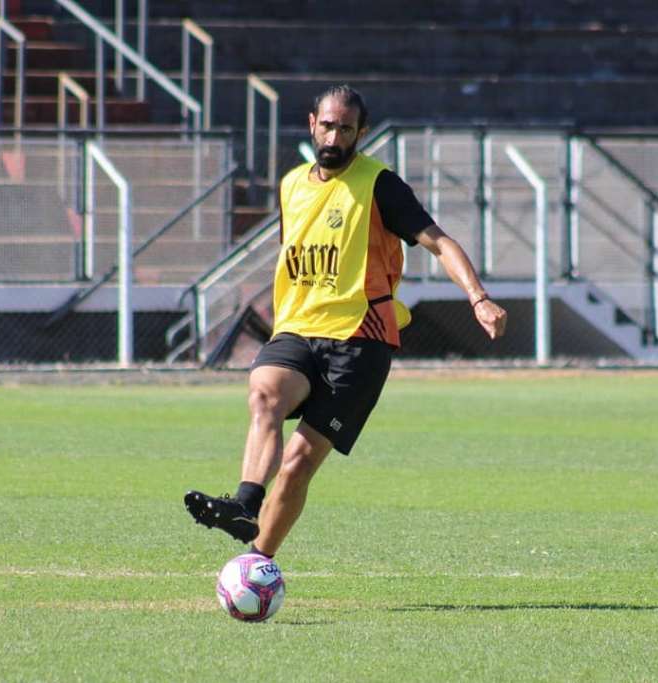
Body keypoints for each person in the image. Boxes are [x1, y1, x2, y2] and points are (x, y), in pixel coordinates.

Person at [184, 85, 507, 559]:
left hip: (361, 342)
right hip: (298, 329)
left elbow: (439, 242)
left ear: (362, 133)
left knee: (297, 464)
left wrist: (478, 298)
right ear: (312, 122)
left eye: (347, 129)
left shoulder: (381, 185)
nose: (335, 137)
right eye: (329, 125)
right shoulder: (291, 185)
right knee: (264, 392)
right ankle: (246, 502)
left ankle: (257, 563)